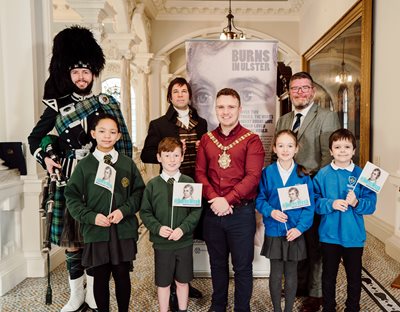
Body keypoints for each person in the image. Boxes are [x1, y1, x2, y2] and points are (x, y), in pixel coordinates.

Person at [27, 26, 132, 312]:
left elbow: (121, 141)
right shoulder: (57, 107)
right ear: (67, 74)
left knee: (93, 241)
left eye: (86, 71)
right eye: (76, 72)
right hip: (69, 181)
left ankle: (92, 296)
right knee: (73, 243)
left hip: (100, 182)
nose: (82, 77)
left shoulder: (105, 104)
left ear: (94, 73)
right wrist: (46, 159)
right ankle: (76, 295)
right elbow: (35, 138)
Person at [275, 71, 340, 312]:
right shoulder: (283, 120)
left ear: (312, 91)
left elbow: (327, 156)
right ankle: (300, 284)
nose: (300, 92)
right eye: (295, 88)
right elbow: (278, 154)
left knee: (315, 243)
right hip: (288, 192)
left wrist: (315, 191)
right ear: (289, 93)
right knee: (295, 238)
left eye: (304, 88)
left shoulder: (327, 117)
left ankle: (316, 293)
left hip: (313, 189)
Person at [65, 114, 144, 312]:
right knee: (99, 276)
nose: (107, 136)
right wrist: (91, 217)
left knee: (122, 274)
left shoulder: (127, 163)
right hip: (96, 231)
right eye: (102, 131)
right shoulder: (85, 166)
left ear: (118, 136)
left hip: (123, 230)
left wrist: (123, 211)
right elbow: (72, 197)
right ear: (93, 134)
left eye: (112, 132)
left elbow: (139, 192)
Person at [195, 88, 265, 312]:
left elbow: (253, 177)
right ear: (215, 109)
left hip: (241, 213)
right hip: (212, 212)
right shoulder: (207, 139)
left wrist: (228, 199)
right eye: (221, 107)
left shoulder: (252, 140)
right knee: (217, 264)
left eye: (231, 107)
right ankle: (218, 306)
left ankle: (241, 308)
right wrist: (215, 198)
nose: (225, 112)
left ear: (239, 109)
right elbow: (199, 173)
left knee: (242, 267)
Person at [140, 77, 207, 308]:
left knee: (189, 233)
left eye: (184, 91)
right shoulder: (159, 124)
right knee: (171, 233)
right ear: (170, 96)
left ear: (189, 95)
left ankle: (184, 279)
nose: (180, 95)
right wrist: (172, 149)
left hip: (192, 183)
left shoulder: (202, 123)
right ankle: (168, 286)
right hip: (169, 183)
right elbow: (146, 154)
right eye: (175, 91)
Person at [313, 128, 377, 312]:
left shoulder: (363, 175)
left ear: (354, 150)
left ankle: (352, 307)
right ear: (331, 151)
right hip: (329, 235)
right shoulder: (322, 175)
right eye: (337, 147)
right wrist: (330, 204)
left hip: (354, 236)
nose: (342, 150)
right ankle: (329, 307)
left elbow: (371, 205)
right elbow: (314, 203)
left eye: (347, 146)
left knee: (354, 277)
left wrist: (356, 202)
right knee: (328, 276)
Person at [140, 137, 202, 312]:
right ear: (159, 157)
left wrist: (183, 229)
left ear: (182, 157)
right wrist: (158, 228)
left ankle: (182, 309)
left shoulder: (189, 182)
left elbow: (196, 211)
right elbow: (145, 212)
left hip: (184, 242)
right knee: (163, 282)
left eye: (176, 155)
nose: (172, 160)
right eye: (167, 155)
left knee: (183, 281)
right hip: (162, 244)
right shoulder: (152, 185)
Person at [256, 130, 314, 312]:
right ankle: (276, 310)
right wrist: (271, 212)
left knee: (291, 274)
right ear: (274, 148)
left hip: (294, 232)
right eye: (280, 145)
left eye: (290, 145)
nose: (285, 149)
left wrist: (300, 228)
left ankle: (288, 309)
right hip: (274, 230)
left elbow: (309, 207)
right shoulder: (267, 173)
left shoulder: (303, 175)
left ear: (296, 148)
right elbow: (259, 199)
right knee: (275, 274)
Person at [186, 40, 276, 131]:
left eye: (247, 95)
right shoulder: (205, 140)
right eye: (203, 96)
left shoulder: (253, 140)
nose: (214, 119)